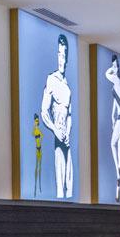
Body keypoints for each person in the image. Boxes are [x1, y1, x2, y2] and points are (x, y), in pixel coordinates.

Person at [41, 34, 73, 199]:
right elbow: (44, 111)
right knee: (60, 188)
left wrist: (67, 131)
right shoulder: (51, 80)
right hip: (57, 137)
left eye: (64, 54)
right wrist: (55, 130)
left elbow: (70, 114)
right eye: (59, 54)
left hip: (66, 138)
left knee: (70, 187)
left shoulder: (67, 86)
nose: (61, 58)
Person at [104, 55, 120, 202]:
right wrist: (112, 118)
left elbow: (106, 74)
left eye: (116, 65)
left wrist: (112, 69)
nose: (114, 68)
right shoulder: (117, 85)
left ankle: (117, 169)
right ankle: (118, 190)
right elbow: (115, 104)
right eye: (113, 65)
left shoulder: (116, 80)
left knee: (112, 144)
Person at [32, 114, 43, 197]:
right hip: (36, 149)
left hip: (40, 149)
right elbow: (34, 134)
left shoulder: (38, 130)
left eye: (38, 120)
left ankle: (39, 187)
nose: (37, 121)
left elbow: (41, 136)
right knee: (36, 167)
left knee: (40, 167)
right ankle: (36, 188)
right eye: (36, 120)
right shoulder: (35, 130)